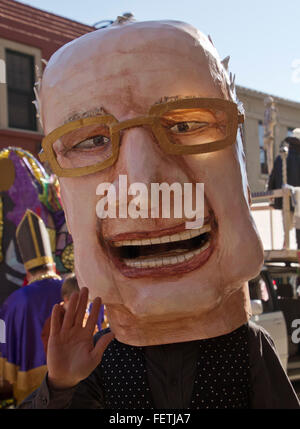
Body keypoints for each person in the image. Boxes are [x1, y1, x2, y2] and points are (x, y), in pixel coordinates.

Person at [19, 18, 299, 408]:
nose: (145, 187)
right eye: (92, 141)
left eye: (186, 124)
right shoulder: (99, 363)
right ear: (65, 199)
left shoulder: (247, 351)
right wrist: (61, 385)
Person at [0, 210, 63, 404]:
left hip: (33, 395)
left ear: (26, 269)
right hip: (81, 386)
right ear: (52, 264)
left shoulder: (14, 302)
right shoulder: (76, 291)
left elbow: (3, 346)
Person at [268, 128, 300, 249]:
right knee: (299, 229)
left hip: (284, 200)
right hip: (298, 201)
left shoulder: (280, 158)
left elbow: (272, 178)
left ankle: (286, 247)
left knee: (286, 227)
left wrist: (271, 196)